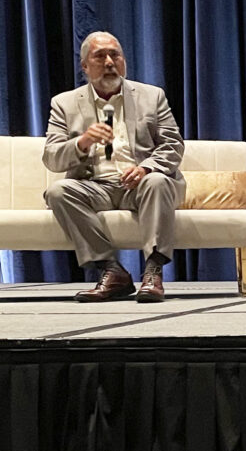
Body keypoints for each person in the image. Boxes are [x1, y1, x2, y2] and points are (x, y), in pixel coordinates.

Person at [42, 31, 186, 302]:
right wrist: (82, 142)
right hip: (95, 186)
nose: (109, 62)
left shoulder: (152, 97)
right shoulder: (64, 103)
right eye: (100, 56)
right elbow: (52, 157)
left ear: (124, 61)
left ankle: (153, 272)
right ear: (85, 66)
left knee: (157, 181)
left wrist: (146, 168)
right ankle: (112, 271)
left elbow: (173, 146)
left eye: (115, 55)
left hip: (142, 185)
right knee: (58, 192)